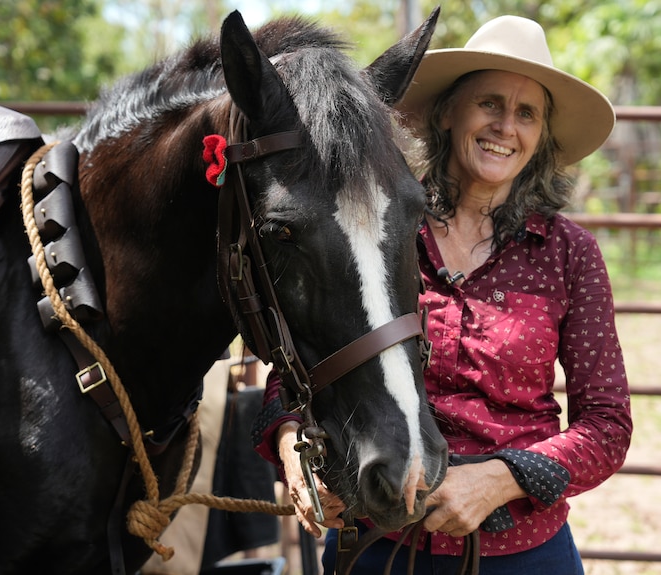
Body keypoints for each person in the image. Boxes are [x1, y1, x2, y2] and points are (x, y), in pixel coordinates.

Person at [252, 14, 632, 574]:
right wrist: (293, 453)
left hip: (522, 552)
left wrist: (498, 480)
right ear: (449, 112)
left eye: (526, 113)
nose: (506, 126)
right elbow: (296, 373)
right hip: (374, 541)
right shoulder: (375, 229)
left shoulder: (568, 255)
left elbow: (607, 425)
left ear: (541, 135)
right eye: (490, 104)